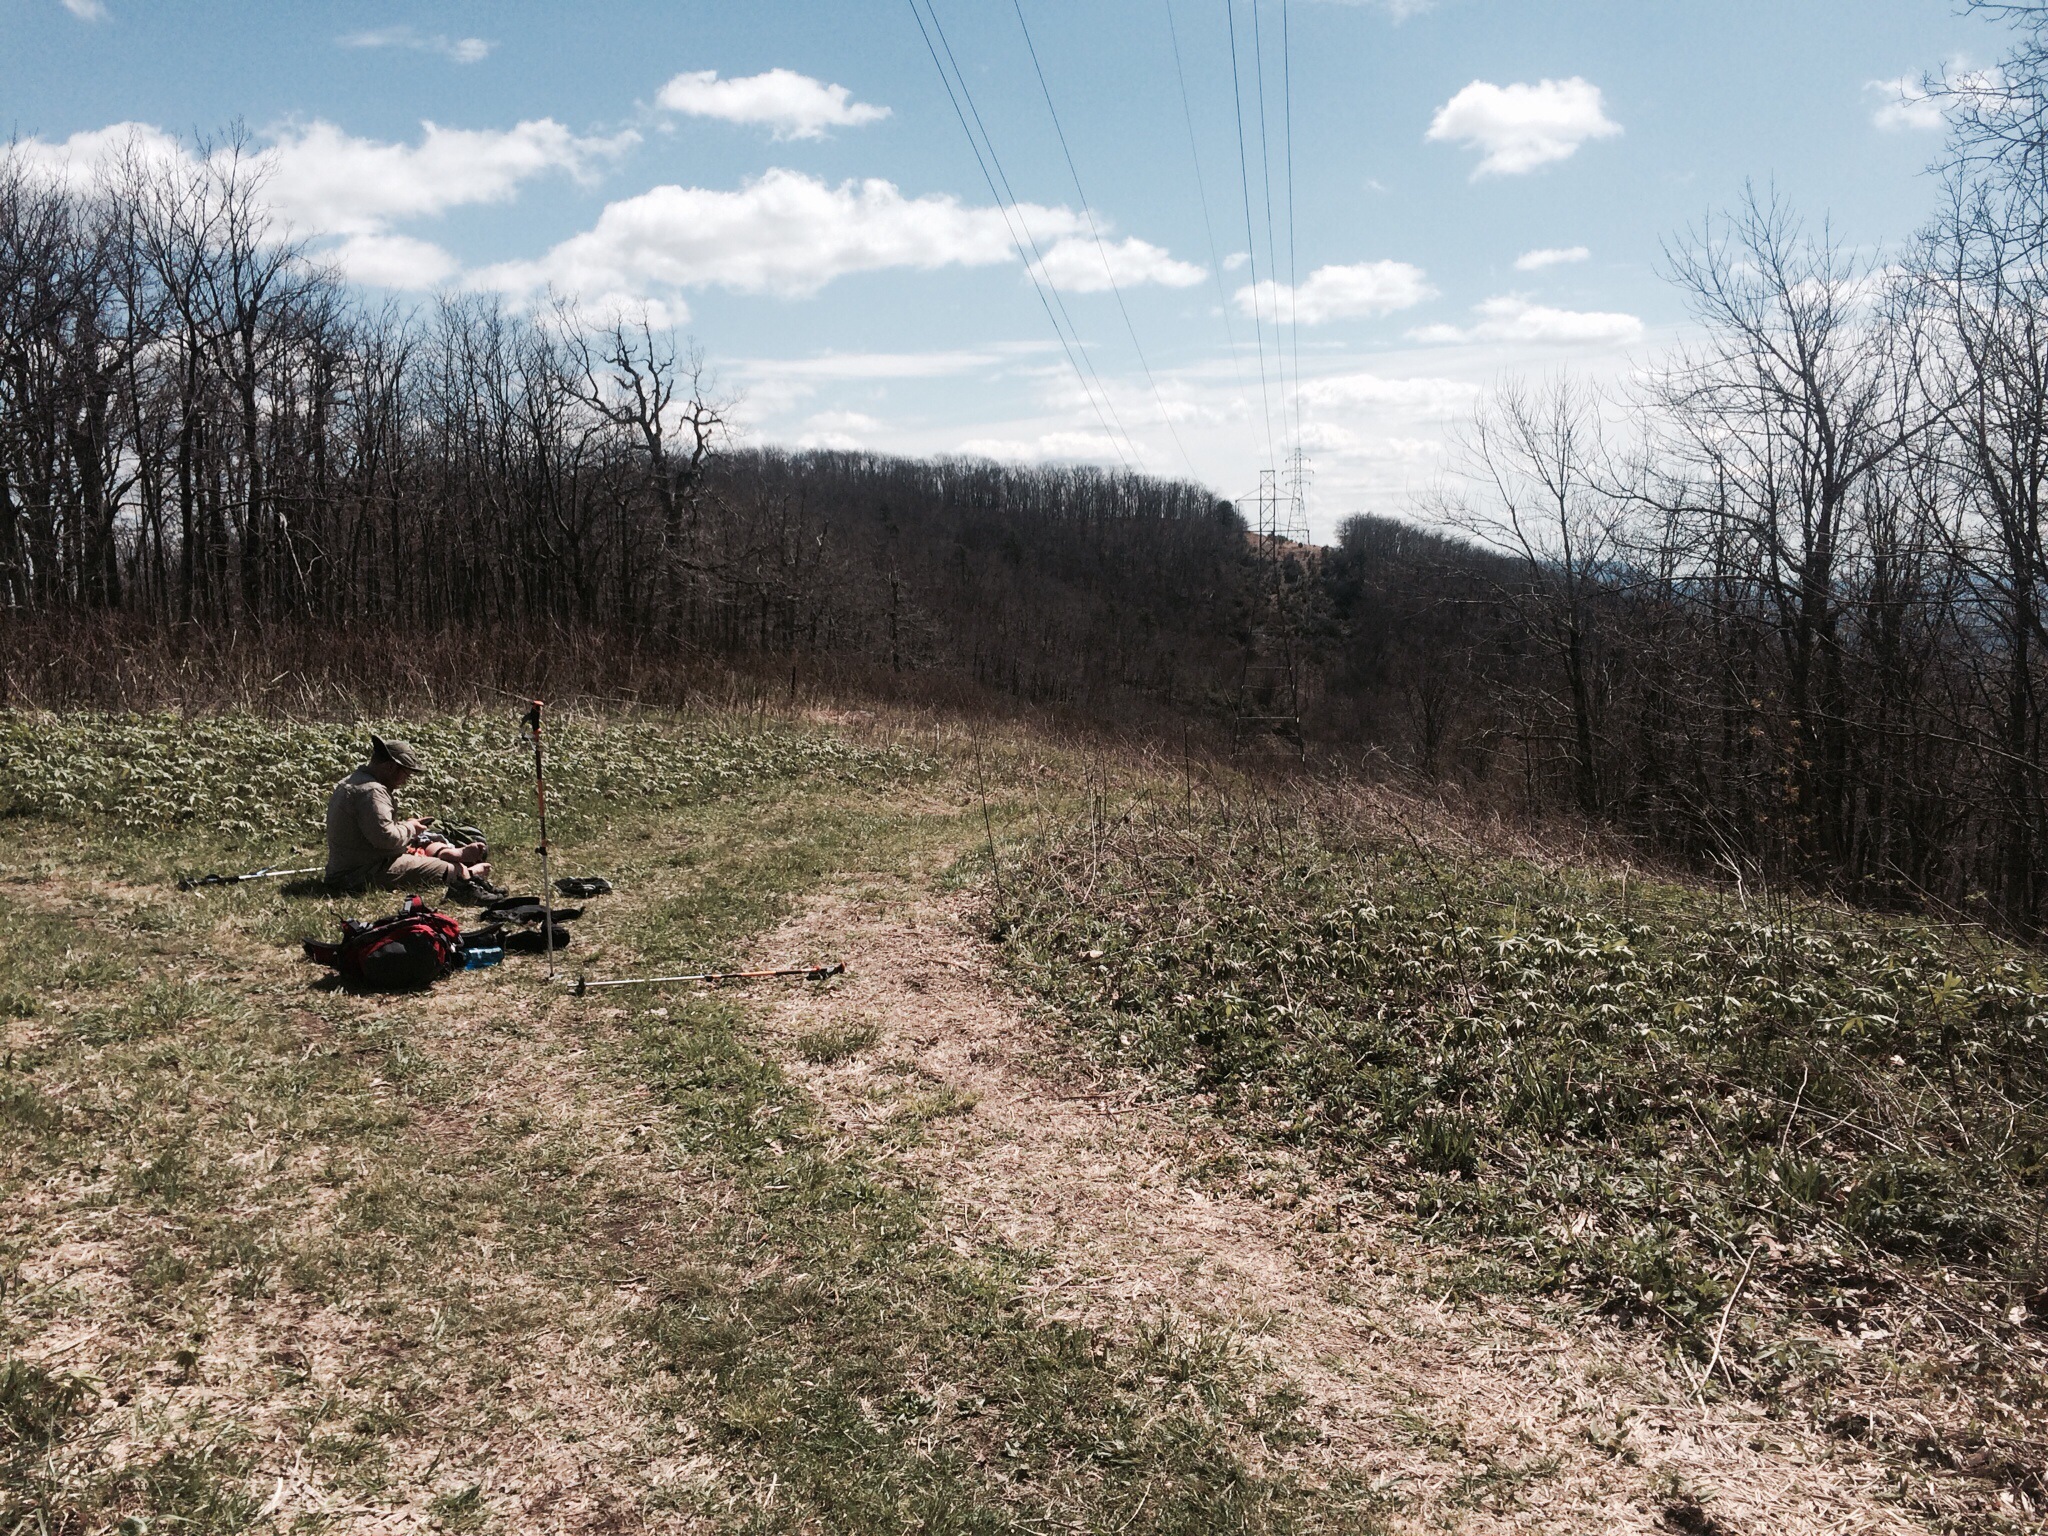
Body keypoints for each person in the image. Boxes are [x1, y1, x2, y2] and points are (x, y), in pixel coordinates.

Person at [325, 735, 497, 900]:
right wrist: (411, 828)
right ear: (391, 767)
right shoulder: (372, 791)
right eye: (405, 774)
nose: (404, 781)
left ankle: (448, 856)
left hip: (350, 866)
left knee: (423, 846)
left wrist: (407, 826)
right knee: (450, 868)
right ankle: (467, 873)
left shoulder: (352, 781)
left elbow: (372, 829)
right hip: (360, 874)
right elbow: (386, 839)